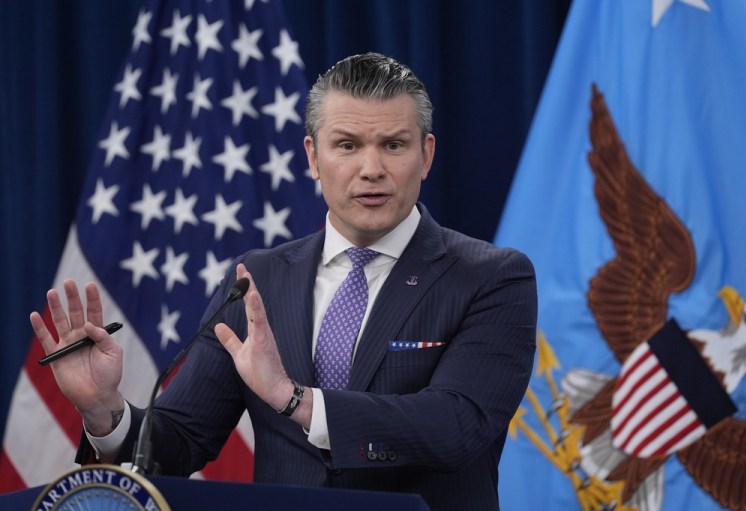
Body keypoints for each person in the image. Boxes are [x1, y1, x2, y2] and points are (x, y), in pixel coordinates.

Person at [30, 52, 537, 511]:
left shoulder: (492, 277)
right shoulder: (257, 279)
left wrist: (295, 400)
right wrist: (104, 411)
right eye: (347, 145)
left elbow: (457, 428)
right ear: (314, 158)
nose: (371, 168)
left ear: (425, 155)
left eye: (393, 145)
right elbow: (178, 443)